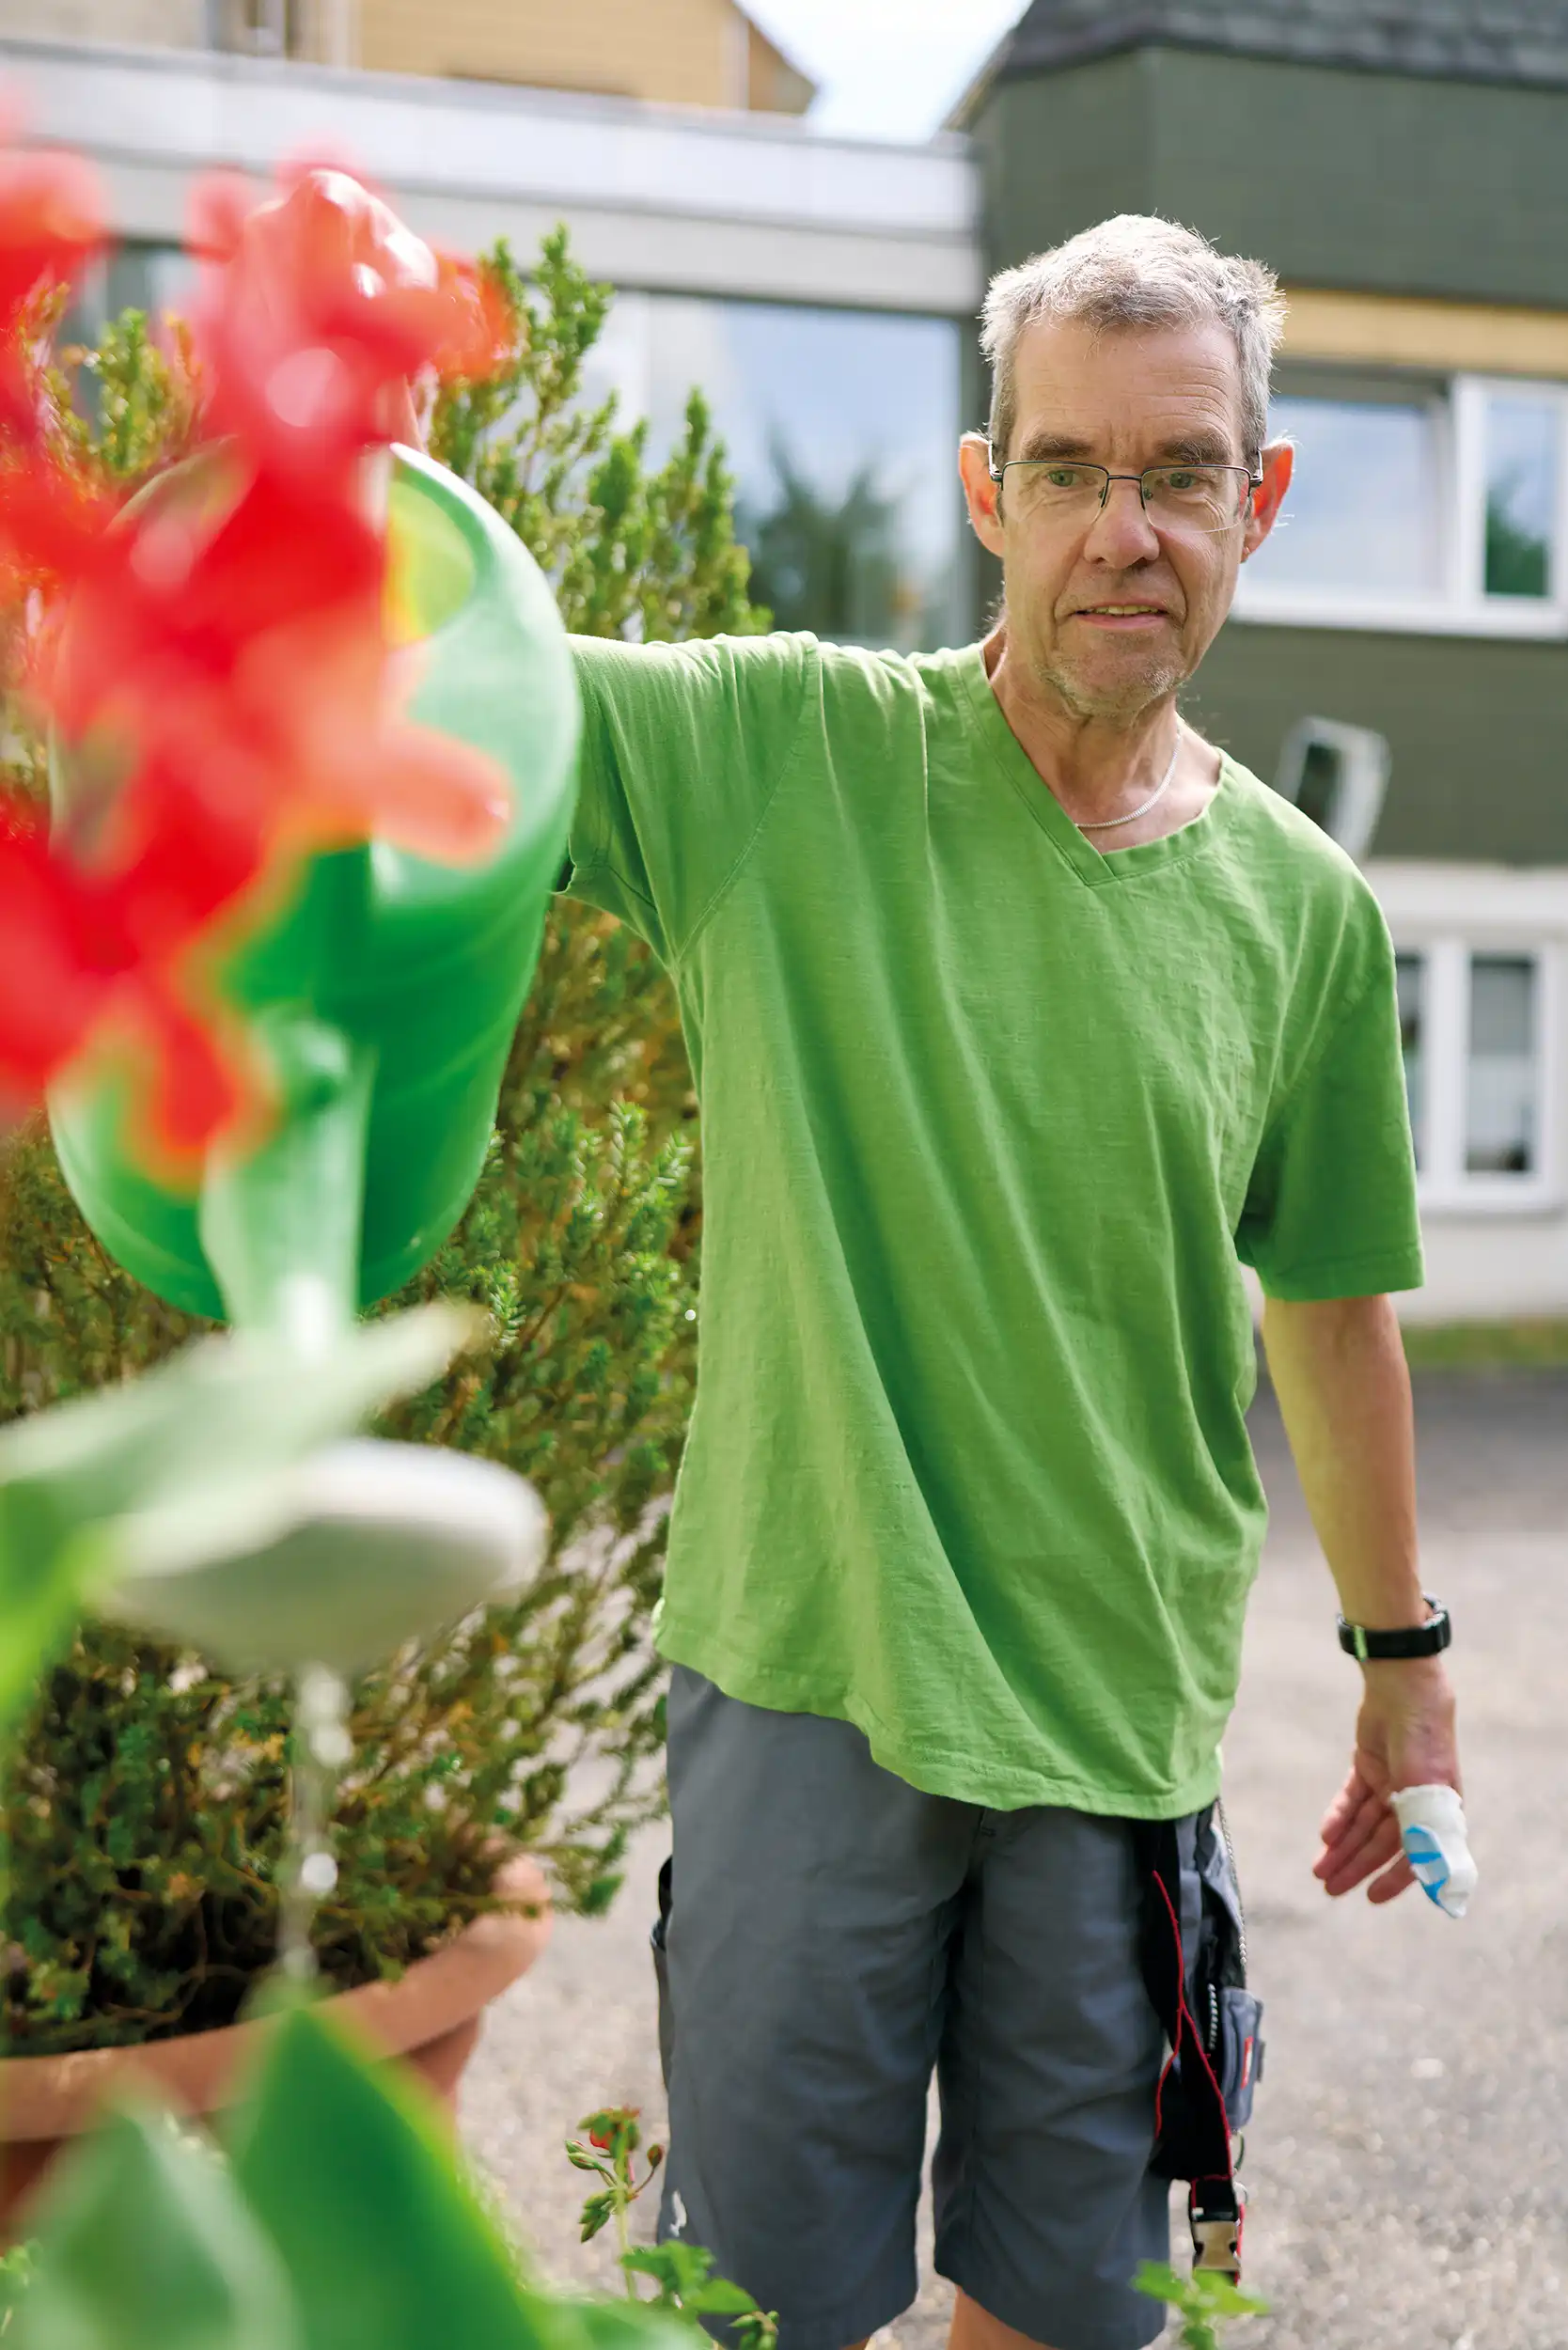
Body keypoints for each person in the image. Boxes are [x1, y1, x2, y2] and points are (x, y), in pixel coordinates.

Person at [558, 215, 1462, 2350]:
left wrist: (1404, 1662)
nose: (1123, 531)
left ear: (1262, 494)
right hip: (810, 1667)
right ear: (988, 493)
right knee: (756, 2308)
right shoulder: (779, 756)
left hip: (1121, 1715)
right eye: (1068, 470)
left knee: (1082, 2311)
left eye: (1179, 470)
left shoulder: (1302, 913)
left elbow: (1332, 1307)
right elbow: (463, 690)